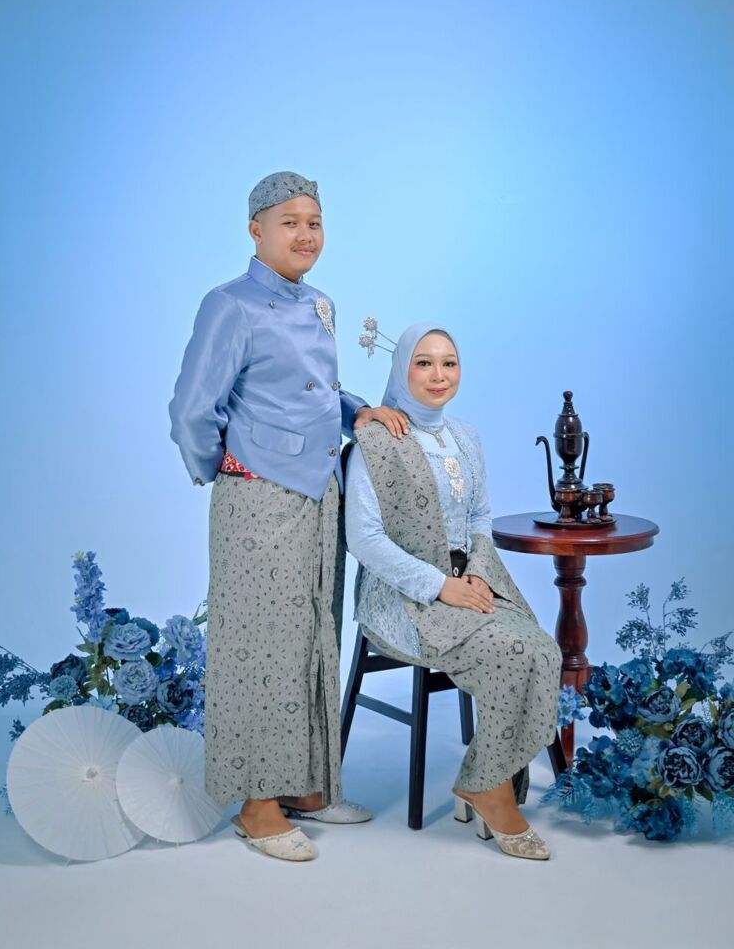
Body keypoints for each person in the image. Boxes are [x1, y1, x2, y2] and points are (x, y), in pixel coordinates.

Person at [169, 171, 408, 862]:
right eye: (290, 223)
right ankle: (257, 804)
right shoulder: (229, 304)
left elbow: (318, 391)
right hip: (260, 499)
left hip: (319, 493)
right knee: (260, 648)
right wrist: (225, 467)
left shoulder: (320, 303)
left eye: (314, 222)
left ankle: (305, 784)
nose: (305, 235)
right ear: (256, 231)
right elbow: (192, 409)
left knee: (312, 638)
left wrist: (358, 412)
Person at [345, 321, 562, 860]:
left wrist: (478, 575)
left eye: (449, 362)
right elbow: (364, 540)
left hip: (469, 582)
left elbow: (480, 516)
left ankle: (482, 778)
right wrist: (441, 586)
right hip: (403, 598)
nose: (438, 375)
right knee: (513, 651)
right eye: (423, 363)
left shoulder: (465, 436)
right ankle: (492, 792)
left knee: (542, 650)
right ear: (402, 370)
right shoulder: (375, 441)